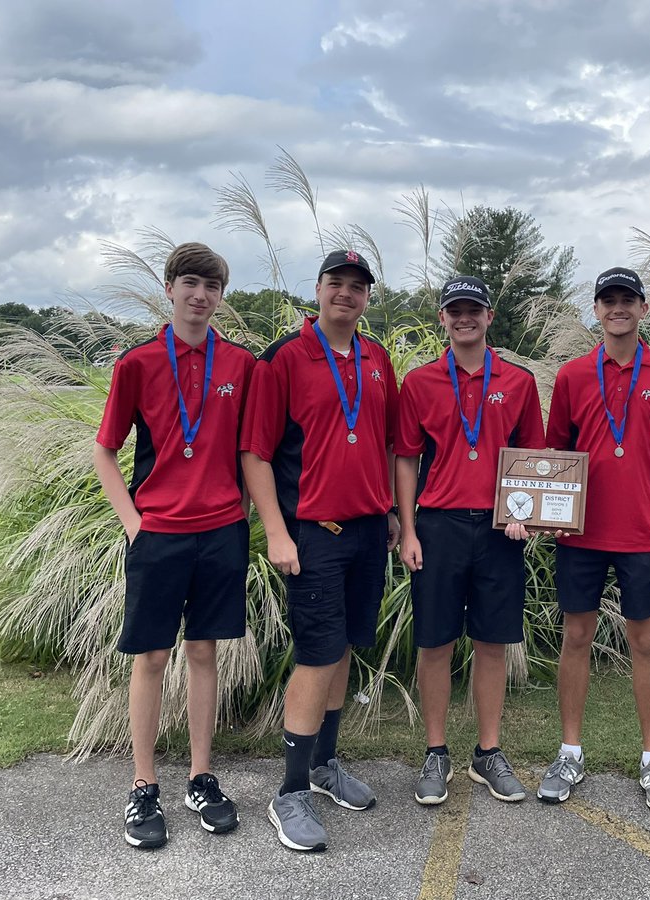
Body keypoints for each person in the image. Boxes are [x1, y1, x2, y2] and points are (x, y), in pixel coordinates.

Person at [94, 242, 255, 849]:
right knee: (151, 659)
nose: (200, 295)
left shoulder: (239, 365)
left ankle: (200, 777)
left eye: (211, 286)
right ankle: (143, 786)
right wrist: (133, 522)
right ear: (169, 288)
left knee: (205, 653)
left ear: (219, 296)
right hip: (158, 532)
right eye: (189, 282)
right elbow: (105, 449)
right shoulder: (137, 363)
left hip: (219, 531)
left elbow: (251, 450)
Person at [240, 249, 400, 852]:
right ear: (318, 289)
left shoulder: (377, 358)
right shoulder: (284, 357)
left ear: (366, 298)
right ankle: (290, 791)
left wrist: (385, 507)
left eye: (359, 287)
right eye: (337, 283)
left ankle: (325, 765)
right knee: (316, 654)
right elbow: (255, 452)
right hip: (313, 533)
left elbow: (382, 443)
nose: (347, 294)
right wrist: (277, 533)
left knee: (344, 649)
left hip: (365, 531)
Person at [537, 266, 650, 813]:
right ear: (597, 310)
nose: (618, 308)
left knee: (644, 641)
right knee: (576, 636)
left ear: (643, 309)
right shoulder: (575, 375)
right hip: (581, 532)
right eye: (608, 300)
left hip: (643, 532)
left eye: (628, 299)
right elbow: (557, 454)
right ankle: (570, 752)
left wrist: (645, 498)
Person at [395, 275, 547, 806]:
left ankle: (487, 751)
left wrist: (524, 510)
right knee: (434, 642)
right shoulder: (419, 382)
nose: (464, 318)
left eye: (474, 310)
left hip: (501, 528)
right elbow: (406, 459)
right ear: (443, 318)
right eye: (454, 310)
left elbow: (533, 457)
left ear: (488, 317)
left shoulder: (519, 381)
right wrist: (408, 529)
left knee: (492, 642)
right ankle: (436, 750)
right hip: (438, 527)